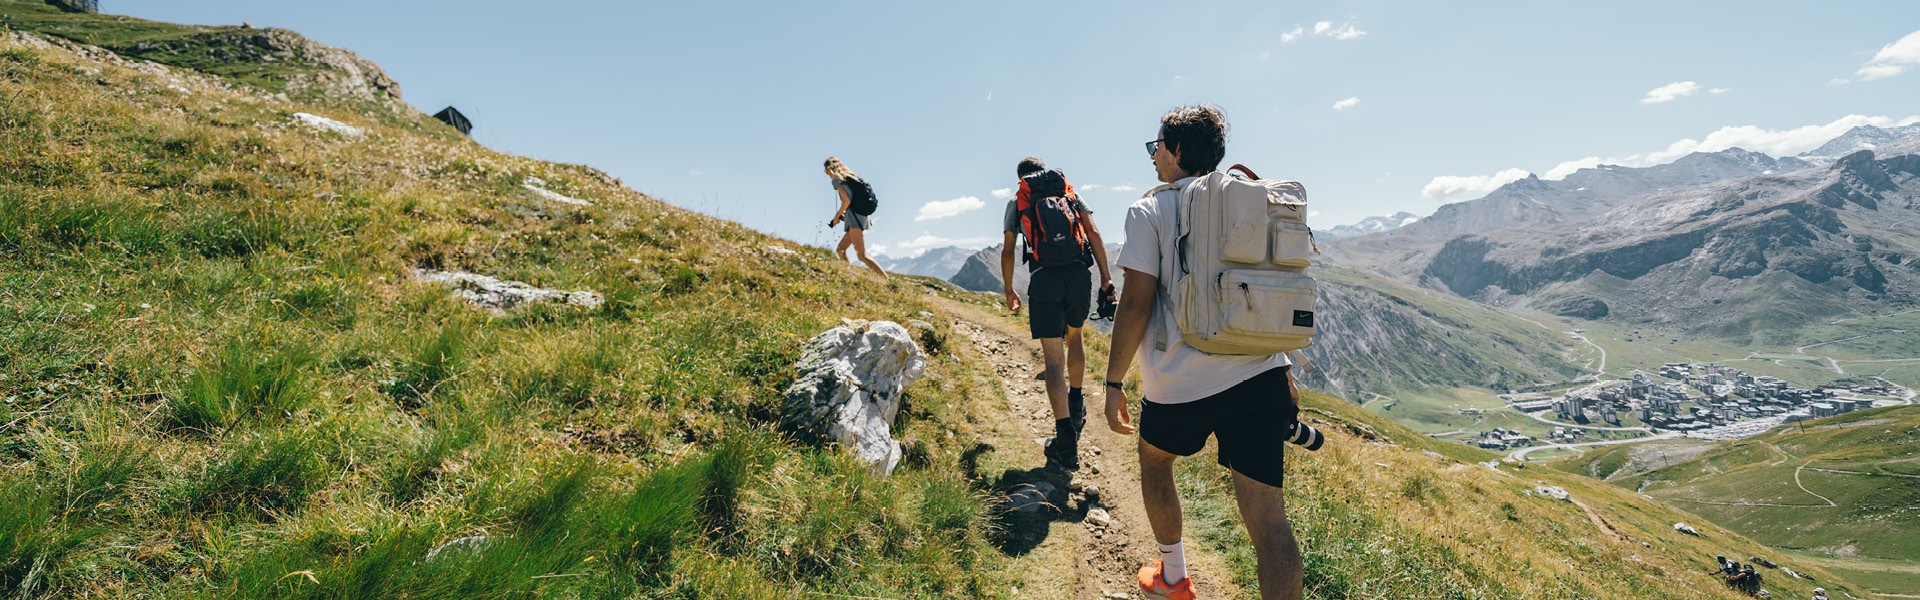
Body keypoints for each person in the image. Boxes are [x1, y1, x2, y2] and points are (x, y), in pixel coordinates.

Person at [1102, 104, 1302, 600]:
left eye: (1156, 148)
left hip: (1182, 381)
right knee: (1270, 524)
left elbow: (1135, 304)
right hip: (1262, 372)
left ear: (1174, 151)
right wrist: (1286, 369)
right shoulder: (1249, 203)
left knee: (1154, 460)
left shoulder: (1149, 210)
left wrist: (1112, 384)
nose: (1152, 159)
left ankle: (1172, 578)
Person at [1000, 156, 1113, 470]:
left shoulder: (1017, 201)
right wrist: (1106, 277)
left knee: (1052, 358)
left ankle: (1066, 443)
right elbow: (1093, 232)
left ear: (1021, 179)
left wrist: (1009, 289)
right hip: (1078, 275)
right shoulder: (1068, 193)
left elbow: (1009, 248)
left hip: (1044, 278)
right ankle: (1076, 404)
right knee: (1075, 337)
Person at [823, 157, 887, 280]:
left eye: (826, 171)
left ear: (830, 169)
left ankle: (886, 281)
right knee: (841, 249)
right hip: (860, 215)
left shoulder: (837, 180)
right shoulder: (852, 177)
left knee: (862, 255)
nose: (827, 174)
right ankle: (849, 277)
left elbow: (846, 200)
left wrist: (836, 217)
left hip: (855, 218)